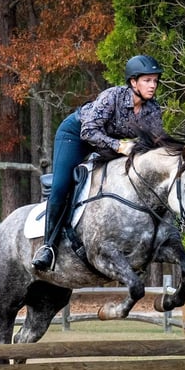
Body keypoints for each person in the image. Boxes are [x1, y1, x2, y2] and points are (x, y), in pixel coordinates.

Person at [31, 54, 165, 271]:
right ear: (133, 82)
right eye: (147, 80)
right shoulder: (112, 96)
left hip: (108, 145)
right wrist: (120, 146)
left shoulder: (152, 109)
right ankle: (48, 247)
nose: (153, 85)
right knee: (62, 185)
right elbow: (89, 131)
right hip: (76, 135)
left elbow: (156, 143)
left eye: (155, 81)